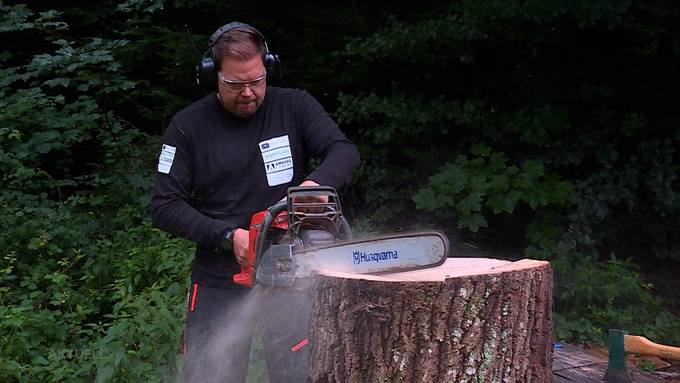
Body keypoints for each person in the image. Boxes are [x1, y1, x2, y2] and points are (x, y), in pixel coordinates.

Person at [151, 22, 360, 383]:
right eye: (235, 84)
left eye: (257, 80)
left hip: (291, 272)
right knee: (210, 375)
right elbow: (164, 206)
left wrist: (313, 185)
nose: (249, 92)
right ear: (211, 76)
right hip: (220, 274)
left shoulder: (293, 106)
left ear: (269, 68)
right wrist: (229, 237)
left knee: (299, 374)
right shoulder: (188, 127)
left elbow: (344, 151)